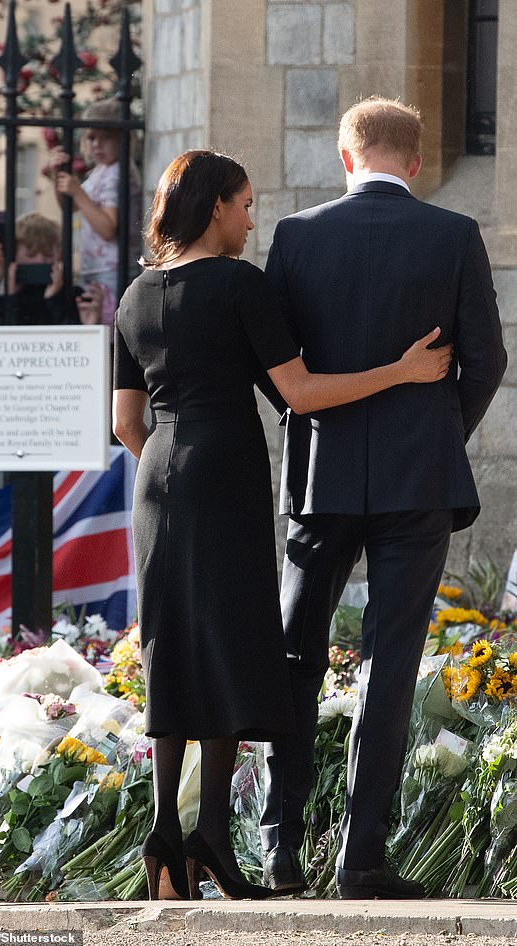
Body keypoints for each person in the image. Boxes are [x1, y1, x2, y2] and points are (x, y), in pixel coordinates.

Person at [112, 148, 452, 902]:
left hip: (156, 478)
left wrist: (168, 468)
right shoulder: (239, 285)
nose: (250, 219)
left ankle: (166, 832)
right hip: (224, 470)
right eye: (243, 204)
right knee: (231, 643)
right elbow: (298, 393)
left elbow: (124, 422)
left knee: (171, 642)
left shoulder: (134, 294)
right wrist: (399, 371)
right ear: (215, 209)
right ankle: (209, 843)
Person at [260, 96, 508, 900]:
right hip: (418, 483)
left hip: (321, 477)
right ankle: (362, 859)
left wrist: (318, 422)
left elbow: (277, 372)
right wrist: (440, 429)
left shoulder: (296, 236)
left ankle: (279, 845)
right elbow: (488, 358)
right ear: (416, 161)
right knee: (389, 665)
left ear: (344, 158)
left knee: (295, 655)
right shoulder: (453, 235)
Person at [50, 97, 142, 318]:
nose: (96, 145)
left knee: (108, 338)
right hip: (96, 268)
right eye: (91, 137)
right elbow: (70, 207)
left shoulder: (116, 175)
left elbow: (108, 228)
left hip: (112, 271)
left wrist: (78, 193)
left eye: (106, 138)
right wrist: (58, 178)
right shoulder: (101, 171)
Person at [0, 212, 85, 327]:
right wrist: (12, 298)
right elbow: (6, 340)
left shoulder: (73, 296)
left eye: (48, 255)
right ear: (13, 256)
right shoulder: (2, 301)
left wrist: (54, 299)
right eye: (30, 255)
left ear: (61, 256)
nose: (40, 261)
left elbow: (73, 338)